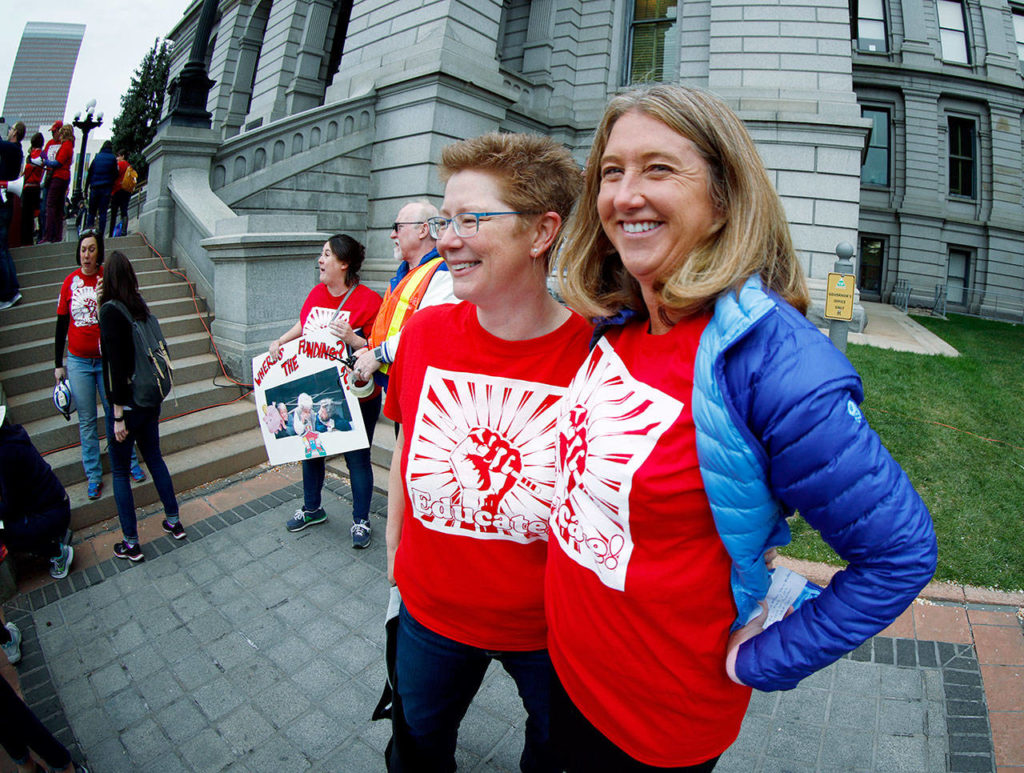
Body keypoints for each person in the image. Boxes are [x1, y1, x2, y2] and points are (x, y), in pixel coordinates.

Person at [546, 84, 938, 772]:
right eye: (612, 172)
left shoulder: (775, 367)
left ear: (724, 196)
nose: (625, 194)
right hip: (566, 669)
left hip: (656, 724)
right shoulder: (618, 317)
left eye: (659, 168)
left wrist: (765, 657)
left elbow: (898, 555)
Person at [382, 132, 590, 772]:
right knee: (418, 749)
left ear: (540, 233)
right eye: (446, 220)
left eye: (472, 220)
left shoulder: (595, 358)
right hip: (428, 618)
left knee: (554, 759)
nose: (447, 239)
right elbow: (403, 448)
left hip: (550, 635)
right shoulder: (424, 333)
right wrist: (395, 562)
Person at [268, 234, 383, 548]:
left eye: (327, 254)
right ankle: (312, 508)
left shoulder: (369, 301)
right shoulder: (317, 293)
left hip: (357, 396)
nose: (320, 260)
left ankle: (361, 521)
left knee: (357, 459)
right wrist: (280, 342)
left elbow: (381, 349)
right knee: (311, 452)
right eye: (322, 254)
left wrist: (354, 338)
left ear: (343, 264)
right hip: (318, 391)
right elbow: (303, 325)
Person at [99, 251, 184, 561]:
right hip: (151, 398)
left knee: (120, 472)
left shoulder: (110, 312)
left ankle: (131, 543)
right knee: (154, 457)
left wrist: (118, 416)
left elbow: (116, 369)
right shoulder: (138, 306)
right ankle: (174, 521)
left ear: (107, 279)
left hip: (129, 404)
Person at [55, 230, 143, 500]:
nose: (86, 255)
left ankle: (130, 462)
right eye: (83, 249)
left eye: (92, 249)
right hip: (79, 361)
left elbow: (124, 308)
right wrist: (58, 364)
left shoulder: (108, 278)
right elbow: (61, 324)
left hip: (106, 361)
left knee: (114, 411)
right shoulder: (70, 282)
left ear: (99, 251)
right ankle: (93, 475)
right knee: (87, 420)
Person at [353, 199, 457, 393]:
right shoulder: (408, 273)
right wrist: (371, 350)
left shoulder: (443, 272)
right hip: (400, 384)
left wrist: (378, 354)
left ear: (423, 230)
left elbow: (426, 329)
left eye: (398, 227)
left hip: (420, 386)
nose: (392, 234)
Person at [0, 406, 75, 580]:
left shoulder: (6, 453)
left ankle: (58, 553)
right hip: (54, 505)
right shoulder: (13, 437)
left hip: (51, 513)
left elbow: (12, 505)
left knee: (8, 532)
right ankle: (54, 536)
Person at [0, 122, 25, 309]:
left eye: (10, 129)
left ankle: (8, 293)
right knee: (3, 248)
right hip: (6, 203)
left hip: (3, 204)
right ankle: (13, 289)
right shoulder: (15, 150)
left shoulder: (12, 149)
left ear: (15, 132)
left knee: (1, 250)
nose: (8, 131)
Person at [41, 124, 74, 245]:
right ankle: (57, 235)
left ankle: (49, 235)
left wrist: (47, 162)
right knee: (59, 207)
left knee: (50, 205)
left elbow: (58, 162)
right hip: (64, 177)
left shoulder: (66, 145)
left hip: (59, 177)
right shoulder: (69, 145)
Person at [85, 140, 117, 236]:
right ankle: (100, 234)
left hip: (94, 188)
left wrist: (86, 188)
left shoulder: (97, 157)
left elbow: (90, 173)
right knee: (103, 213)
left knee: (92, 212)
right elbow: (115, 174)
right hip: (106, 189)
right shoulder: (112, 158)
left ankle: (88, 232)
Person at [36, 121, 63, 239]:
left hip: (57, 177)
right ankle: (45, 234)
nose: (53, 134)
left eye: (54, 131)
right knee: (45, 209)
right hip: (49, 177)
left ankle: (53, 234)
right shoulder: (49, 143)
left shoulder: (63, 144)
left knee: (54, 208)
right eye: (52, 132)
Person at [20, 132, 45, 246]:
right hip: (37, 188)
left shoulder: (30, 156)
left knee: (26, 216)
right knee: (35, 214)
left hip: (28, 188)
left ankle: (25, 240)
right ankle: (34, 237)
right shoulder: (43, 154)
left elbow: (25, 173)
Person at [108, 149, 132, 238]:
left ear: (123, 156)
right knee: (124, 211)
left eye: (118, 156)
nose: (117, 158)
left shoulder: (120, 164)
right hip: (127, 191)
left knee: (114, 213)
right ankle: (124, 230)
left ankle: (111, 233)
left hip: (118, 190)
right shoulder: (130, 166)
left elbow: (114, 175)